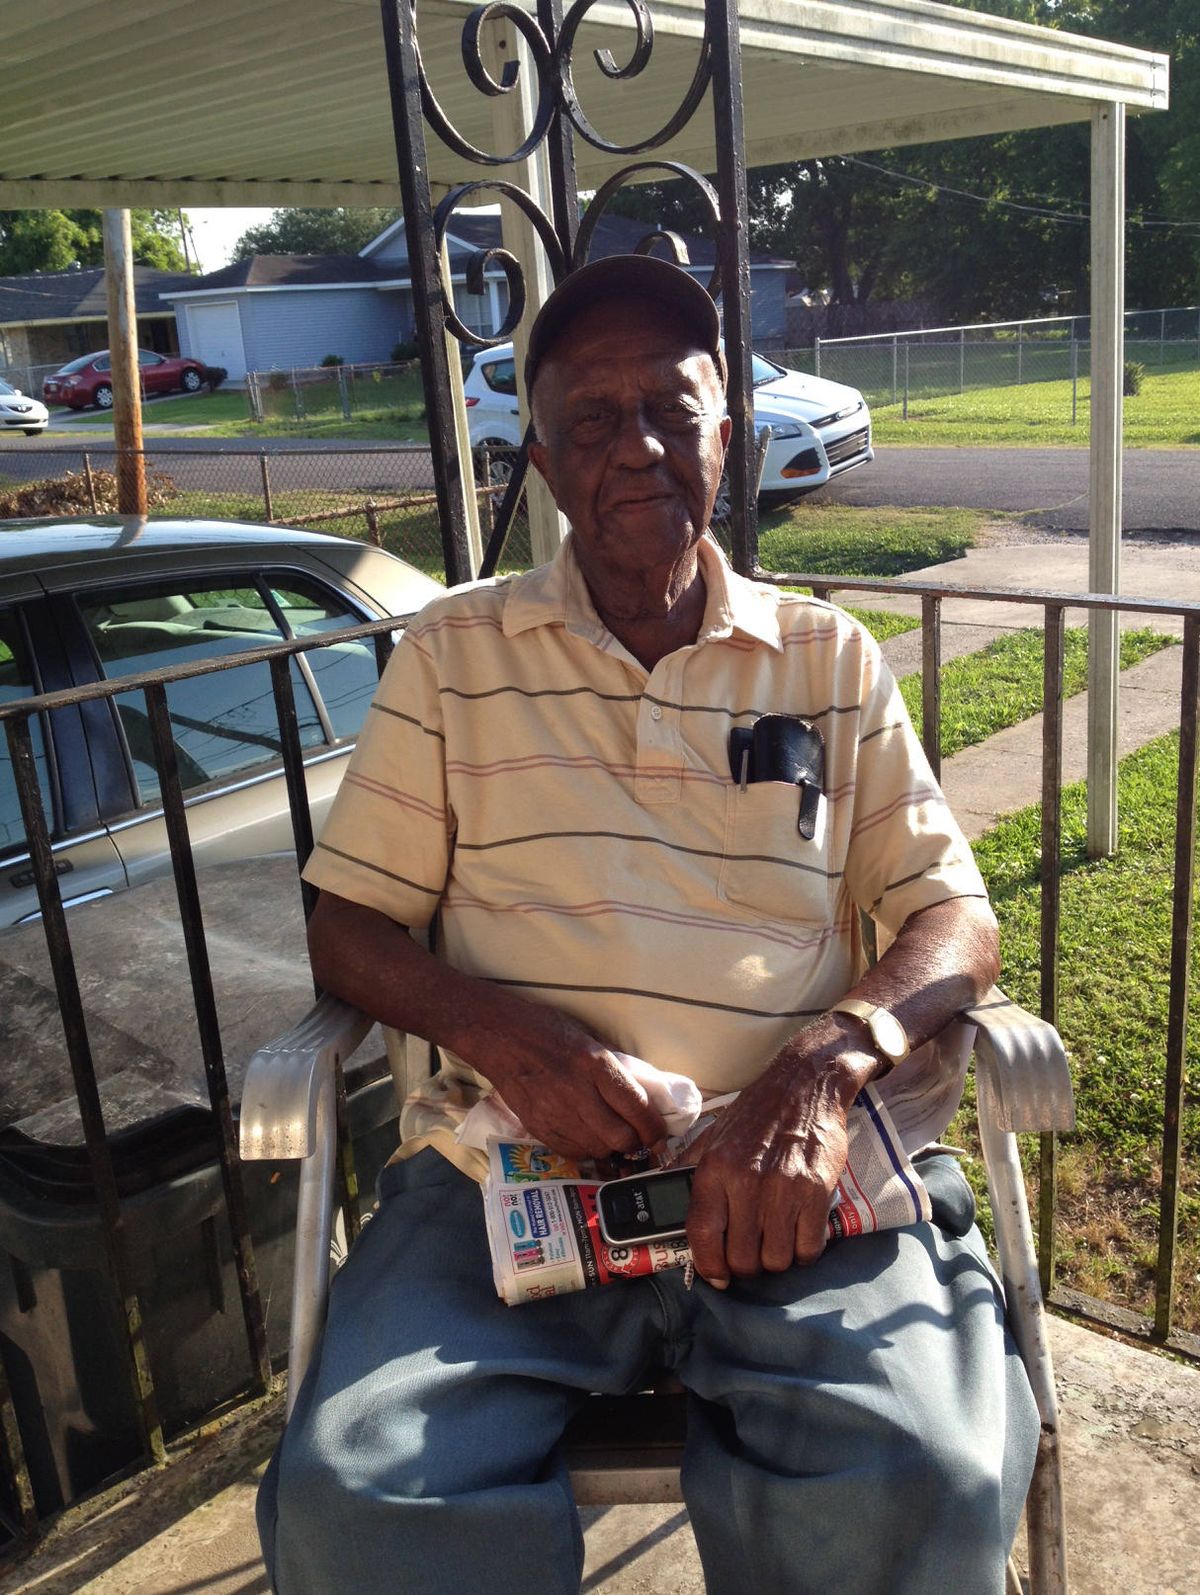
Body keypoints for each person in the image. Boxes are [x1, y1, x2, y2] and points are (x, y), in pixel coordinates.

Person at [257, 254, 1038, 1595]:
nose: (639, 447)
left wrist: (822, 1069)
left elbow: (953, 922)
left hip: (789, 1173)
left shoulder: (825, 658)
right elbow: (350, 928)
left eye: (673, 410)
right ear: (548, 460)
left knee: (930, 1478)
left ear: (726, 433)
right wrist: (517, 1043)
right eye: (594, 419)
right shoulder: (451, 657)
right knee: (350, 1504)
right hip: (517, 1173)